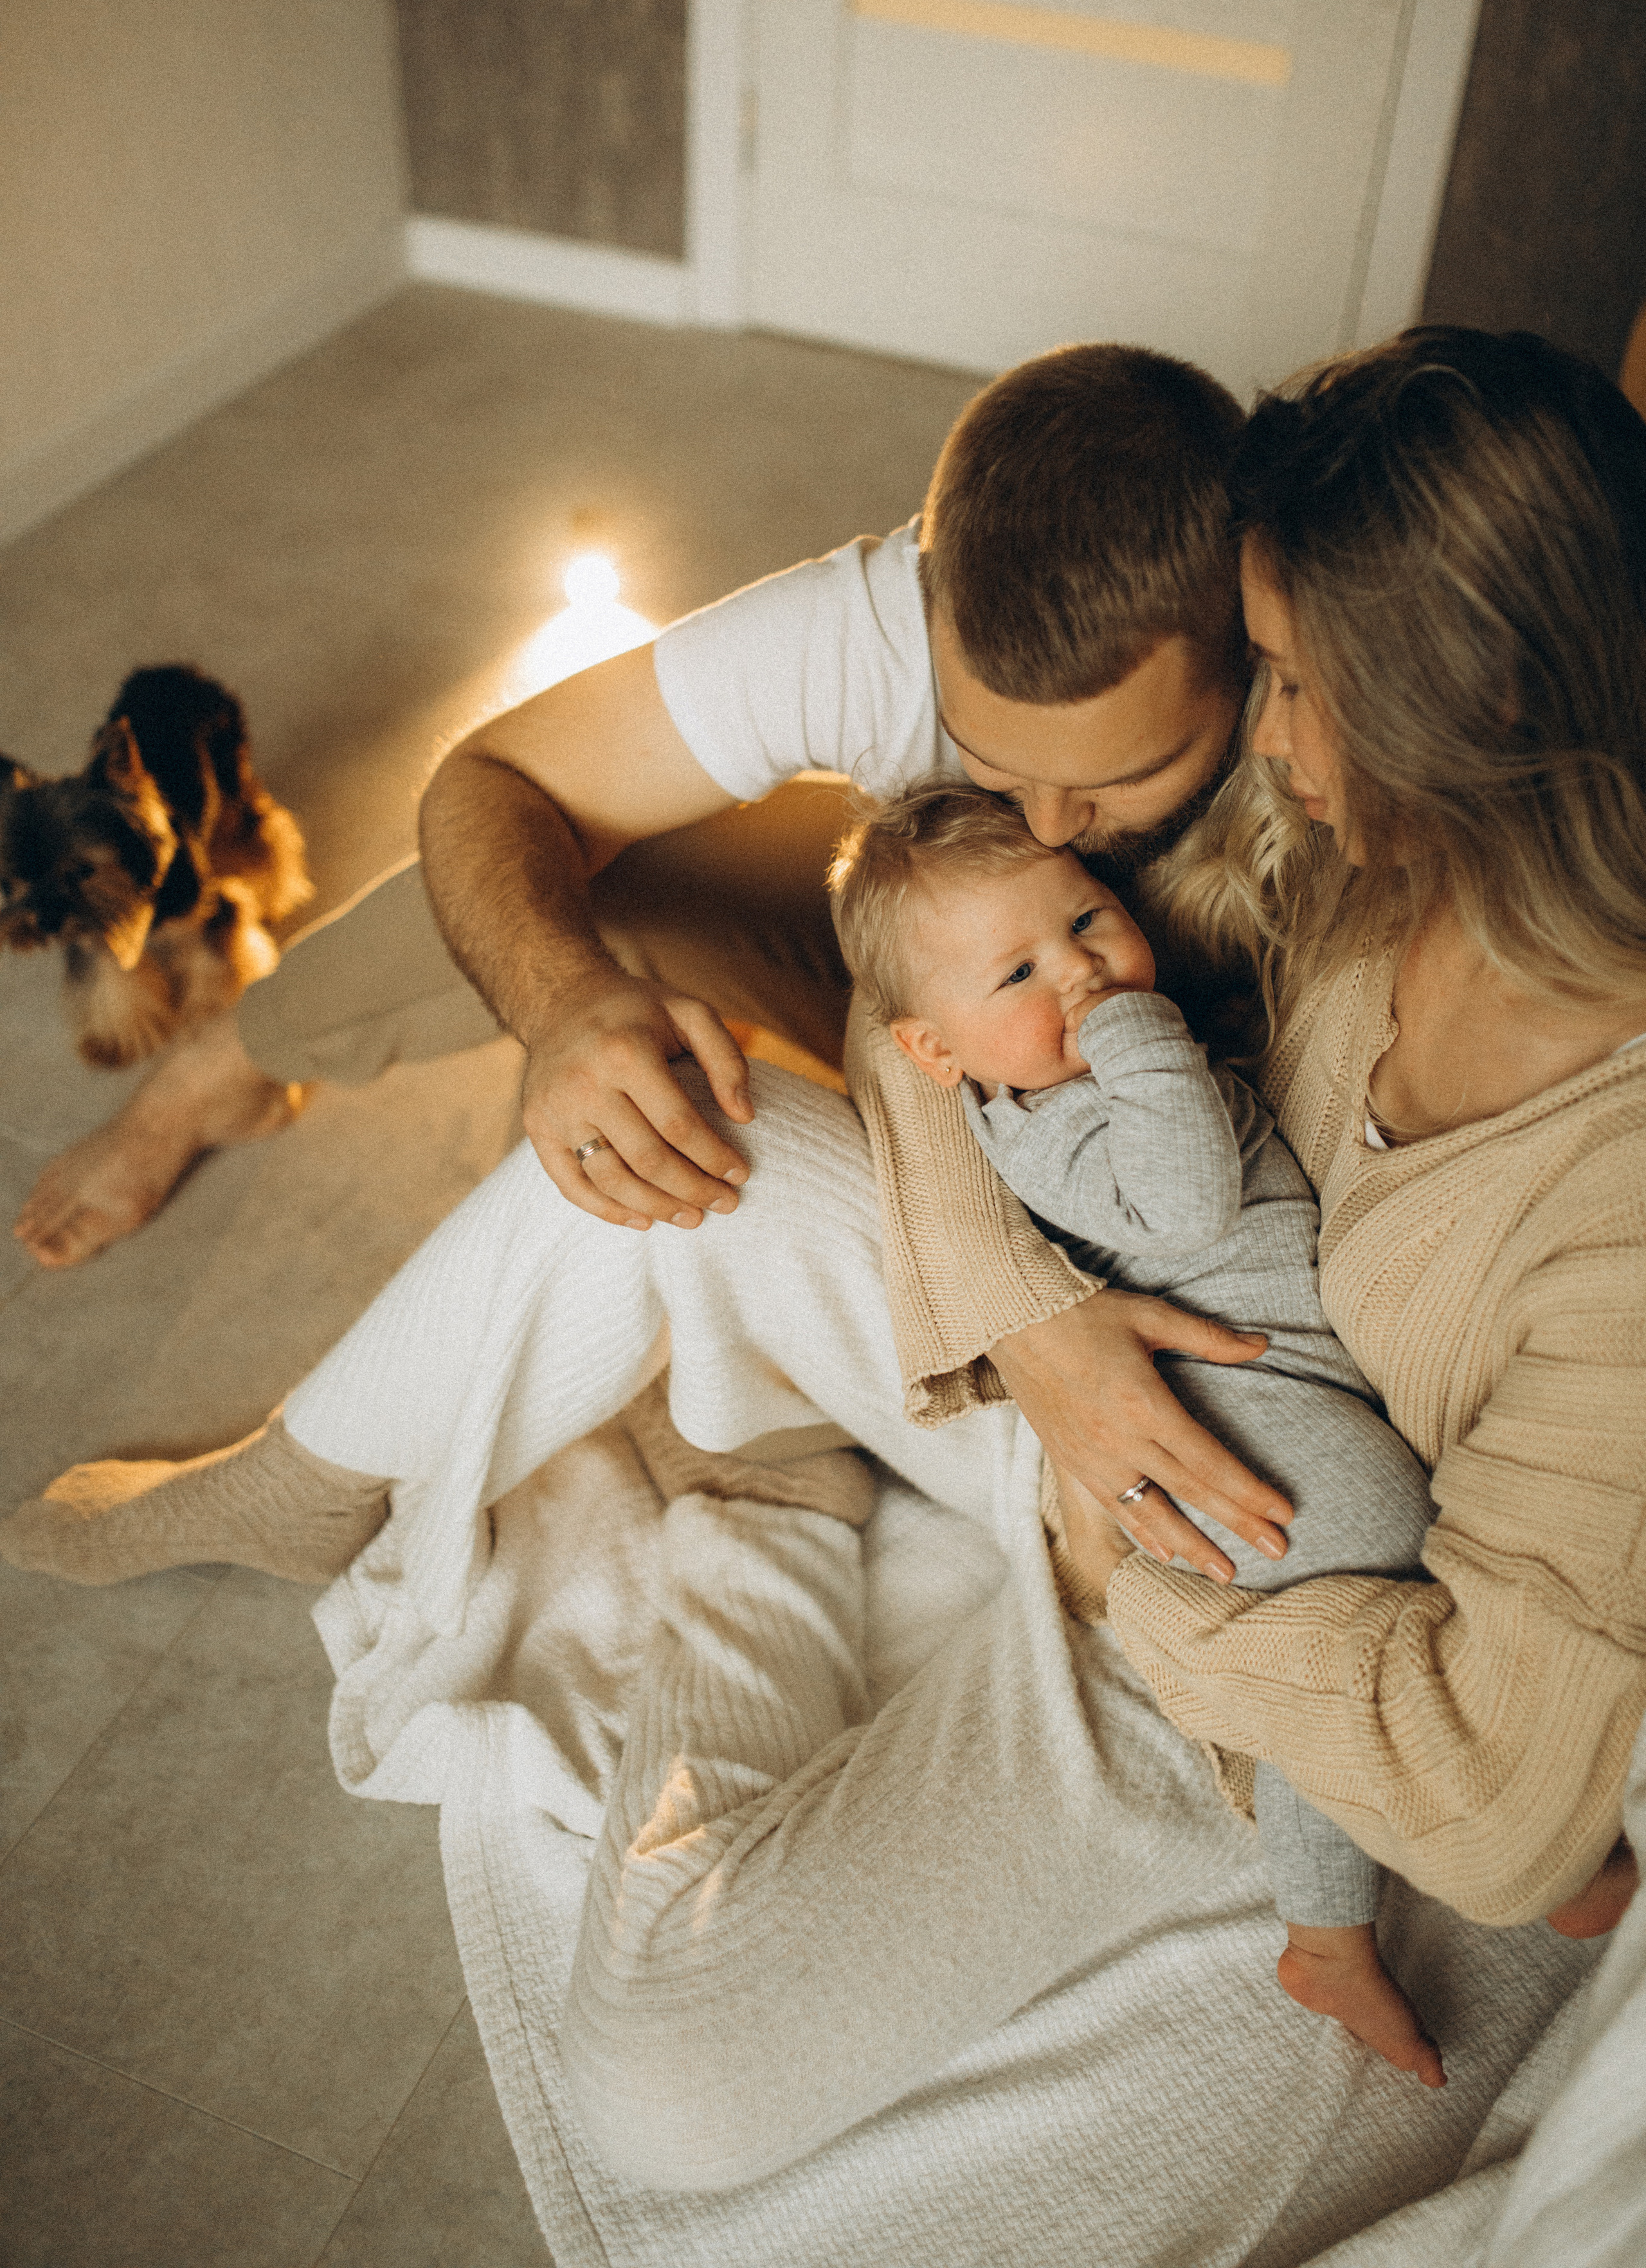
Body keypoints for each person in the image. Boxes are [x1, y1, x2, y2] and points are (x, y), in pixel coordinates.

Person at [5, 328, 1640, 2196]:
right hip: (1104, 1382)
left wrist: (1148, 1570)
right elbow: (922, 996)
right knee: (620, 1145)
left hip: (1231, 1614)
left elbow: (1505, 1803)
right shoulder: (1388, 861)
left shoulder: (1595, 1173)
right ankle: (318, 1470)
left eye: (1289, 682)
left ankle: (760, 1493)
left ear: (1469, 705)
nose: (1274, 737)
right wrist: (1033, 1326)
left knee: (655, 2088)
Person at [6, 341, 1296, 1585]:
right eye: (995, 764)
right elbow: (495, 780)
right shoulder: (877, 622)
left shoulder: (1321, 721)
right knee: (592, 881)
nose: (1049, 826)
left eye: (1120, 778)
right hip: (949, 990)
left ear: (1252, 648)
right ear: (924, 596)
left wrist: (1018, 1302)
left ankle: (727, 1423)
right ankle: (220, 1071)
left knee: (733, 1152)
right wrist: (562, 1006)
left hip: (1133, 1108)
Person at [827, 779, 1444, 2081]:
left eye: (1087, 922)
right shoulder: (1054, 1128)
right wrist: (1141, 1040)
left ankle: (1338, 1922)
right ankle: (1354, 1906)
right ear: (937, 1055)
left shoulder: (1077, 1077)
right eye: (1017, 973)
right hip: (1240, 1410)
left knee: (1360, 1632)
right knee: (1385, 1538)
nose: (1081, 975)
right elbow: (1177, 1209)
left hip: (1289, 1381)